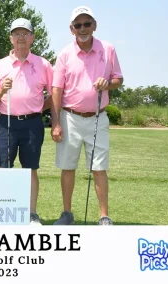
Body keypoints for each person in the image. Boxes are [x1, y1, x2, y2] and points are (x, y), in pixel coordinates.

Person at [50, 6, 123, 225]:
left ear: (95, 25)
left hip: (98, 117)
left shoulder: (108, 49)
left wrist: (108, 83)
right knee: (68, 166)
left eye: (87, 24)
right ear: (72, 29)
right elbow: (56, 90)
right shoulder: (64, 54)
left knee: (99, 167)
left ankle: (104, 216)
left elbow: (118, 79)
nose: (83, 29)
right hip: (70, 117)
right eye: (78, 25)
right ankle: (67, 213)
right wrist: (55, 123)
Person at [0, 18, 53, 225]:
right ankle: (2, 211)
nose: (21, 37)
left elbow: (54, 95)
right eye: (17, 33)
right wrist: (2, 90)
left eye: (25, 33)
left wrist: (35, 107)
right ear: (11, 38)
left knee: (30, 168)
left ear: (32, 37)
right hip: (6, 123)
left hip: (33, 123)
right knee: (3, 167)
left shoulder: (43, 64)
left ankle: (31, 213)